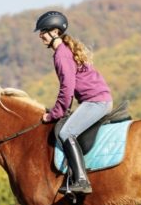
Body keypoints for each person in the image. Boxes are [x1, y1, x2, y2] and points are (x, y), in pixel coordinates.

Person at [35, 11, 113, 195]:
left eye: (43, 31)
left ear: (55, 32)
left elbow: (67, 88)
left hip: (96, 102)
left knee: (66, 131)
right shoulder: (65, 50)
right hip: (96, 100)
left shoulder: (61, 54)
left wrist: (54, 113)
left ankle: (81, 180)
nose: (41, 36)